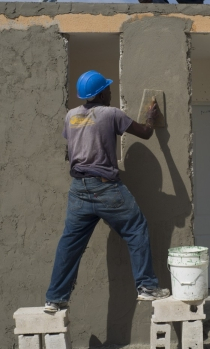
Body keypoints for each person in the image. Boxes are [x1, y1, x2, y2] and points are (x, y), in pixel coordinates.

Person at [44, 70, 170, 312]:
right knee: (136, 228)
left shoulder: (70, 116)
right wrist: (150, 116)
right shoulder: (111, 114)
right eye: (108, 89)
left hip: (79, 189)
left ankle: (56, 298)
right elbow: (145, 133)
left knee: (69, 244)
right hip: (106, 187)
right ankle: (147, 287)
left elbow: (70, 148)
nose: (111, 92)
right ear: (100, 93)